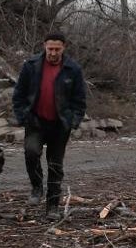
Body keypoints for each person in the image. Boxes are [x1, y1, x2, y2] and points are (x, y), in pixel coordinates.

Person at [12, 33, 87, 220]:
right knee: (31, 152)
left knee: (55, 165)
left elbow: (79, 100)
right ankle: (37, 186)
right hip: (35, 121)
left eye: (57, 49)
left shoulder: (73, 69)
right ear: (44, 46)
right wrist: (22, 116)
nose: (53, 53)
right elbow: (19, 94)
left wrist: (73, 121)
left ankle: (52, 206)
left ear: (64, 47)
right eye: (50, 49)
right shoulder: (31, 66)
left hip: (60, 124)